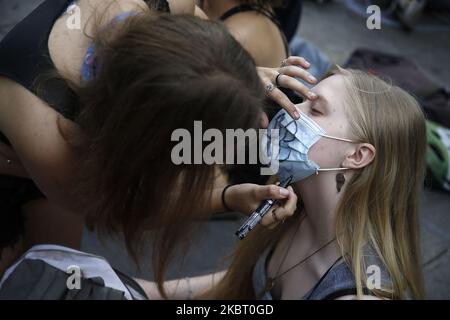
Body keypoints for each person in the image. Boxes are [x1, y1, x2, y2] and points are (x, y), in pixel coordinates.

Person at [0, 0, 314, 298]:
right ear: (149, 140)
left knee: (56, 273)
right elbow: (126, 205)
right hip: (16, 164)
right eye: (198, 152)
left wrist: (235, 76)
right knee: (32, 278)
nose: (213, 163)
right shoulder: (50, 140)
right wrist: (224, 196)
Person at [139, 66, 426, 300]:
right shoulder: (293, 209)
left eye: (316, 111)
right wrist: (141, 292)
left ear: (358, 155)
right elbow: (239, 286)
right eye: (302, 99)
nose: (291, 111)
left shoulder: (358, 293)